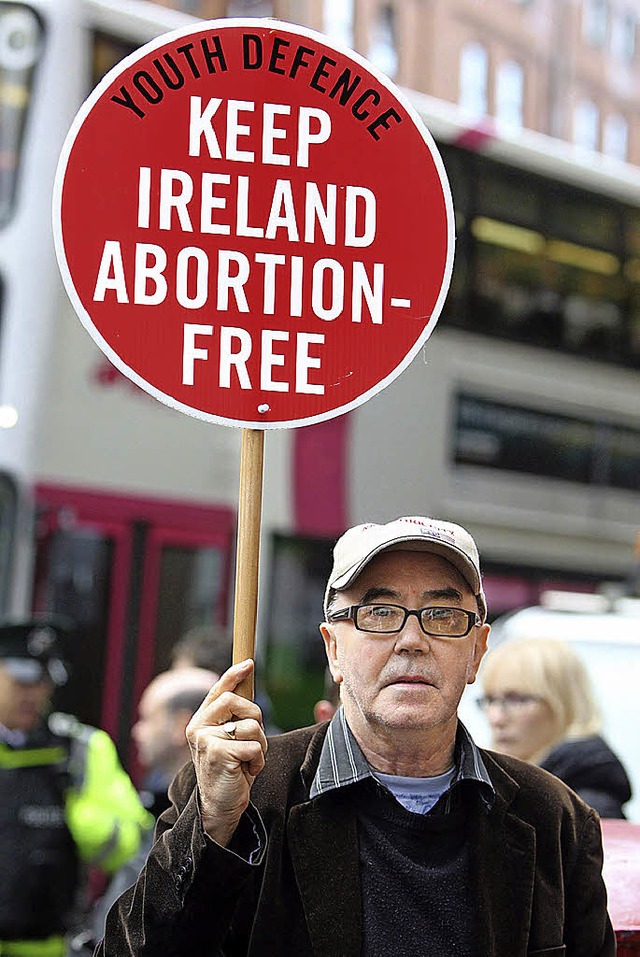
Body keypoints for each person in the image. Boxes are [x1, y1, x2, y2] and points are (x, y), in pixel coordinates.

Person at [97, 516, 615, 956]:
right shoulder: (246, 794)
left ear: (478, 650)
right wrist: (211, 829)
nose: (412, 640)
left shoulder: (553, 820)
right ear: (333, 648)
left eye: (442, 614)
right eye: (380, 613)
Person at [0, 618, 152, 957]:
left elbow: (136, 847)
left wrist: (78, 819)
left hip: (50, 946)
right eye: (22, 681)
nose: (34, 693)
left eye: (44, 682)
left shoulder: (81, 749)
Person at [89, 667, 218, 945]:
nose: (137, 731)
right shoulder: (160, 802)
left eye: (147, 718)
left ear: (181, 725)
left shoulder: (207, 815)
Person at [478, 635, 632, 818]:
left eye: (516, 700)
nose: (496, 718)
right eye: (490, 700)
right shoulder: (492, 788)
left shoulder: (586, 810)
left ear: (563, 704)